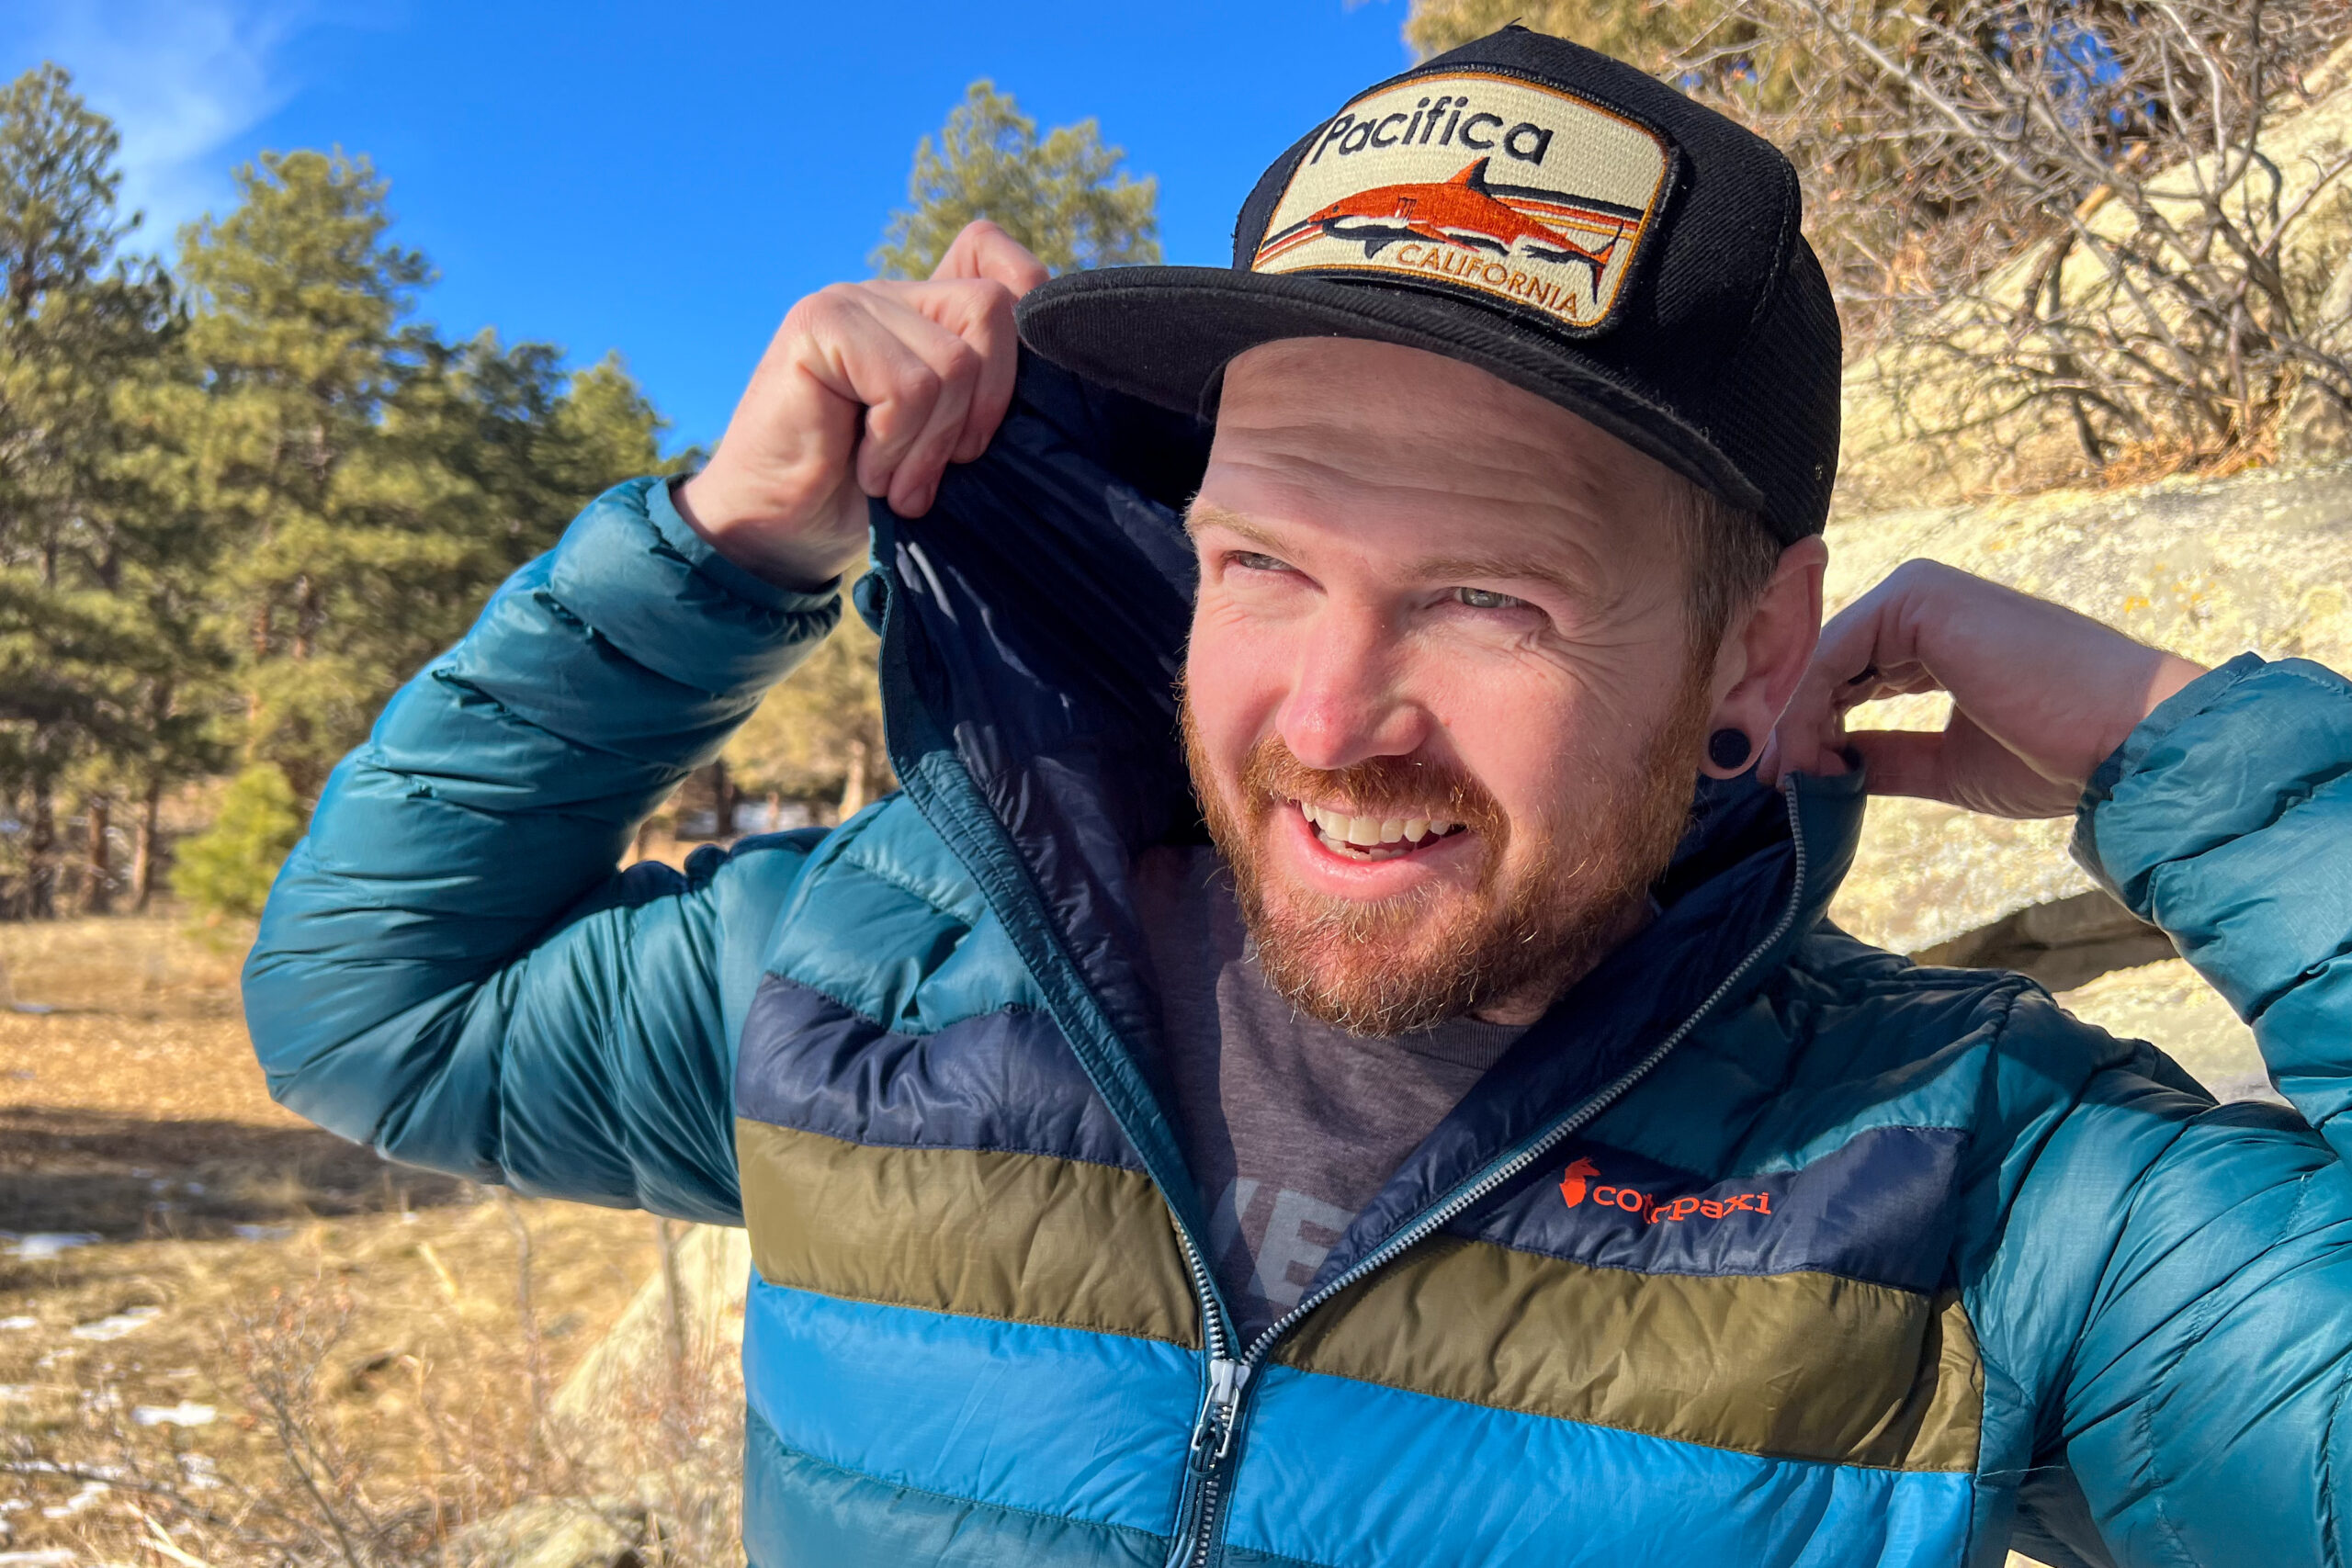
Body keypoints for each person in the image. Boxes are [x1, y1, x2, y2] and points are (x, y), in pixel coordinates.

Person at [243, 26, 2350, 1568]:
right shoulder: (862, 979)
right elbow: (370, 1008)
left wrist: (2201, 761)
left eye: (1484, 597)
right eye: (1259, 563)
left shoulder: (1964, 1183)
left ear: (1749, 645)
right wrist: (728, 548)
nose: (1328, 719)